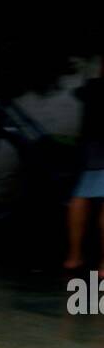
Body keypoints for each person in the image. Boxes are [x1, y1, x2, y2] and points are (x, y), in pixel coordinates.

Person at [64, 55, 104, 275]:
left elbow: (79, 94)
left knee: (80, 195)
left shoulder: (92, 88)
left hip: (90, 147)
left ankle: (73, 257)